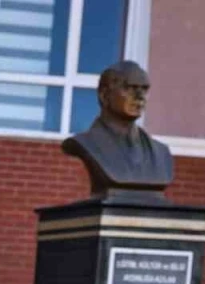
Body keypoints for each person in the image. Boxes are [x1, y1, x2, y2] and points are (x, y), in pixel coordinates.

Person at [61, 60, 173, 196]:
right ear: (104, 95)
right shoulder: (86, 144)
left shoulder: (160, 153)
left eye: (144, 89)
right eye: (129, 88)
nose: (139, 97)